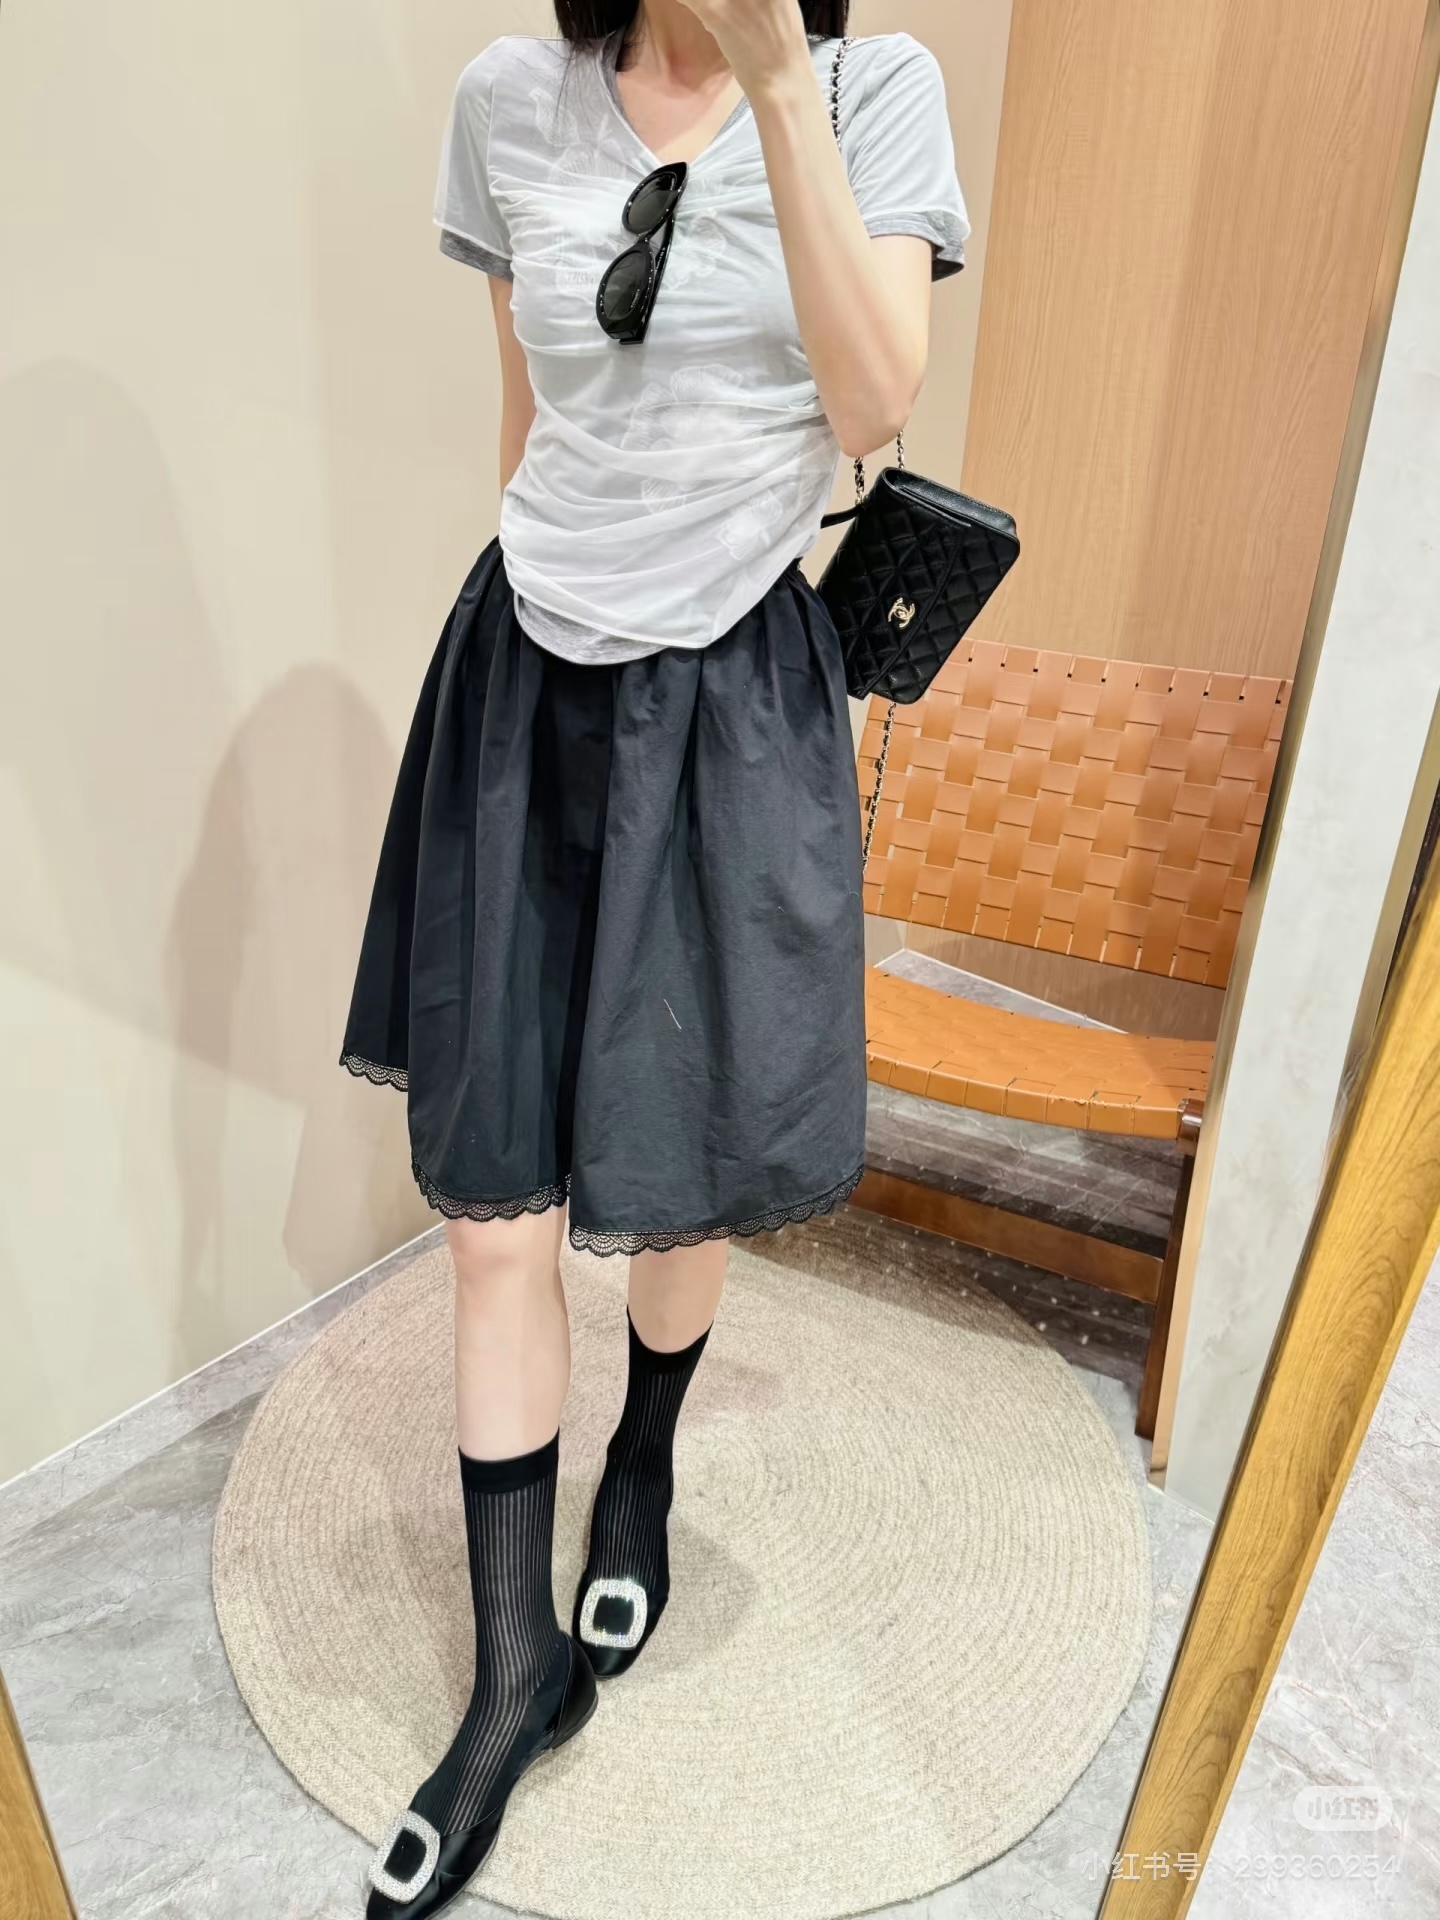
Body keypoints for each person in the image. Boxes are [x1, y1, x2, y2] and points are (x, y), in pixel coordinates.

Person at [340, 1, 968, 1911]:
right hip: (523, 681)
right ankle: (512, 1675)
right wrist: (524, 632)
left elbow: (873, 403)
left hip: (729, 699)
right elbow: (528, 413)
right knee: (494, 1213)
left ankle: (645, 1463)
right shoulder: (508, 101)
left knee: (680, 1145)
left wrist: (777, 82)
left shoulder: (873, 89)